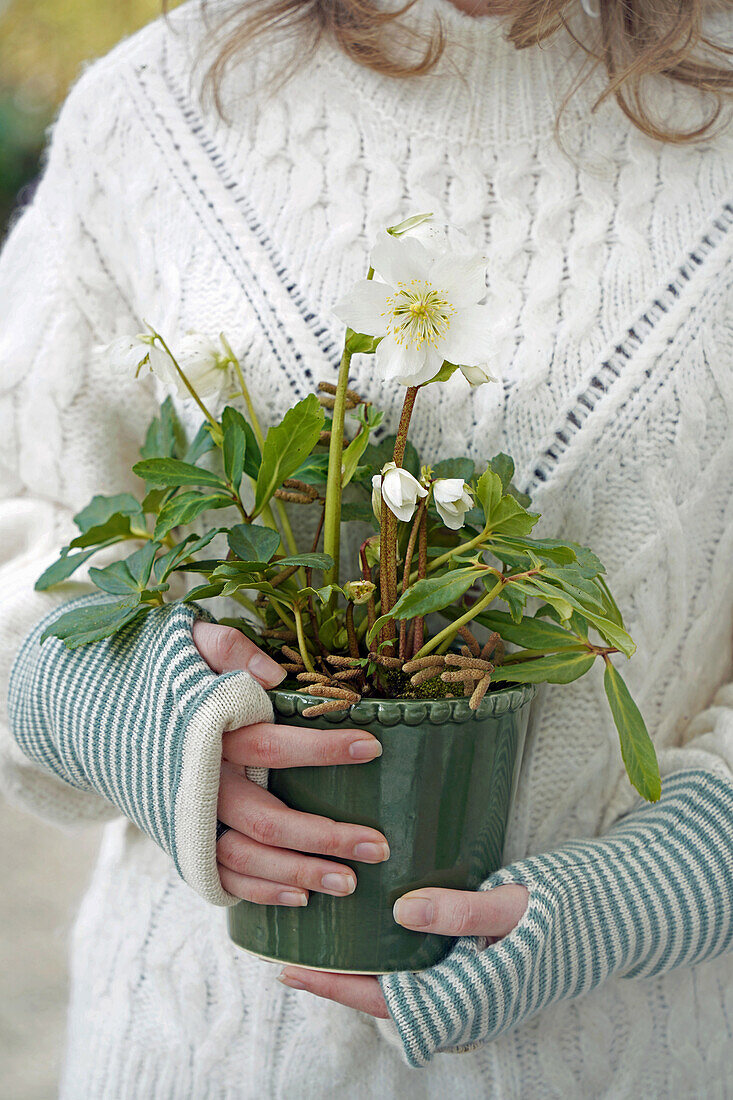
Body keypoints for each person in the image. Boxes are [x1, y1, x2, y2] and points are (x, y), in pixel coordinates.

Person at [1, 0, 732, 1095]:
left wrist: (669, 877)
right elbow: (21, 517)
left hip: (631, 1054)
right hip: (202, 1051)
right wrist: (126, 708)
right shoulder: (159, 111)